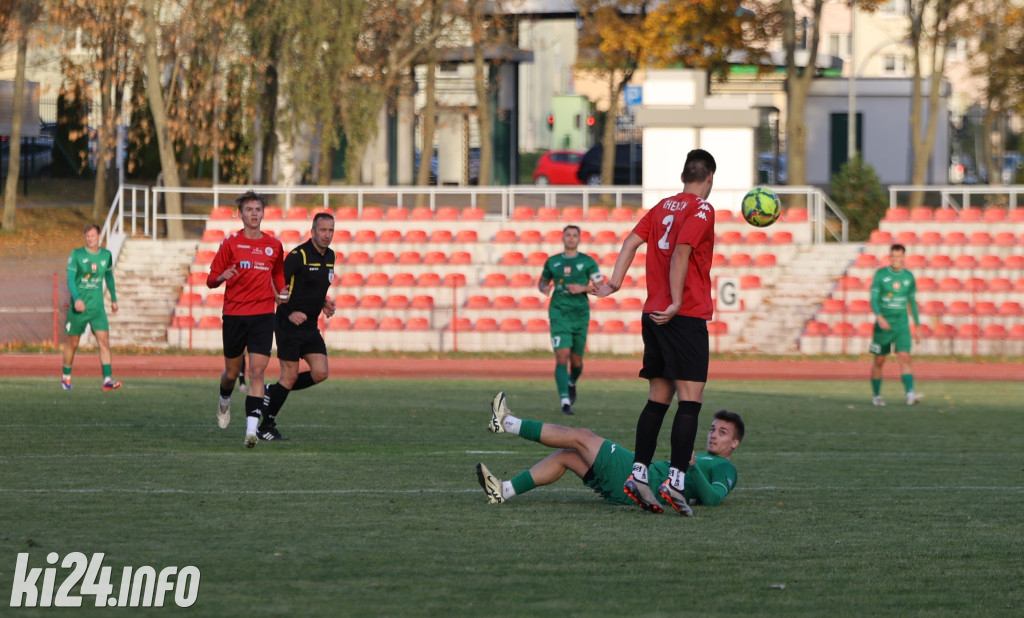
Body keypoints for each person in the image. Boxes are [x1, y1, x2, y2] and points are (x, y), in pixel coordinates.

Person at [593, 148, 717, 514]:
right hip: (683, 313)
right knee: (690, 399)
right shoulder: (703, 209)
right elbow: (681, 253)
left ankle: (639, 473)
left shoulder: (663, 206)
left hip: (652, 314)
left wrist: (614, 283)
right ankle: (676, 480)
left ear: (683, 176)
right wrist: (678, 301)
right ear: (709, 177)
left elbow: (632, 241)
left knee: (658, 398)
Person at [476, 392, 743, 514]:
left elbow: (714, 499)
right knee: (567, 455)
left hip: (643, 480)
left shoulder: (725, 468)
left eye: (722, 433)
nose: (713, 435)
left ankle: (507, 423)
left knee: (583, 436)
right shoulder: (707, 456)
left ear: (735, 443)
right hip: (639, 481)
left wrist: (692, 466)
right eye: (712, 429)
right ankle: (504, 490)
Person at [207, 190, 286, 448]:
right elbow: (211, 280)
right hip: (234, 314)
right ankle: (224, 399)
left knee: (256, 371)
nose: (254, 213)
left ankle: (251, 431)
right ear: (240, 214)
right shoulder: (230, 244)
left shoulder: (274, 245)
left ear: (263, 213)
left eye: (258, 209)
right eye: (249, 209)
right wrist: (222, 277)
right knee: (231, 372)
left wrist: (281, 292)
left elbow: (278, 276)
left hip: (263, 315)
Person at [259, 212, 338, 440]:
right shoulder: (298, 256)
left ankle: (271, 391)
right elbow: (275, 285)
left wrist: (323, 303)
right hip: (287, 325)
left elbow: (312, 288)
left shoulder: (331, 256)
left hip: (310, 327)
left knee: (321, 372)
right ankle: (266, 426)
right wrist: (289, 311)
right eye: (322, 230)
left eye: (330, 230)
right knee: (290, 375)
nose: (326, 235)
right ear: (312, 231)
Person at [537, 225, 604, 415]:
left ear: (579, 239)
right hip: (559, 314)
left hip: (580, 315)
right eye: (568, 235)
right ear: (563, 238)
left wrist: (582, 288)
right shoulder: (553, 262)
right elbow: (542, 283)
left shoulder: (588, 262)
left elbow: (600, 288)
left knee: (576, 361)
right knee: (561, 356)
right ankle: (565, 401)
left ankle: (572, 381)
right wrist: (544, 289)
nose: (571, 238)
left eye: (575, 235)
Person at [60, 223, 123, 391]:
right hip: (78, 309)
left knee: (104, 341)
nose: (90, 239)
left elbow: (109, 277)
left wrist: (114, 299)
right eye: (87, 236)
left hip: (97, 308)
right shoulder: (77, 255)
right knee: (73, 343)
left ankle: (107, 380)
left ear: (99, 237)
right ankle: (66, 378)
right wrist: (77, 299)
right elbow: (71, 280)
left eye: (93, 236)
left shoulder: (106, 255)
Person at [869, 243, 923, 406]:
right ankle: (877, 396)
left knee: (905, 357)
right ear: (890, 256)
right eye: (893, 256)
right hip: (883, 327)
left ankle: (910, 394)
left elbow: (912, 302)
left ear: (903, 258)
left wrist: (917, 325)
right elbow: (873, 299)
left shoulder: (908, 277)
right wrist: (879, 316)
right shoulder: (880, 275)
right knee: (879, 361)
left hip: (901, 326)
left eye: (899, 257)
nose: (895, 260)